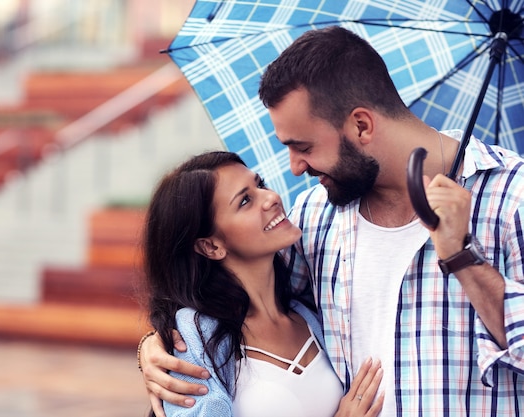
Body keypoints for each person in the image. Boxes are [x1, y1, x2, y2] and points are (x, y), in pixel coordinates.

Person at [138, 26, 524, 416]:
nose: (294, 169)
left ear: (361, 125)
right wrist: (158, 347)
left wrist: (462, 256)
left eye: (303, 147)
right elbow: (231, 295)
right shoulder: (315, 216)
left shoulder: (512, 199)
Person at [141, 150, 384, 416]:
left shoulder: (310, 315)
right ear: (211, 246)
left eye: (260, 184)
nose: (271, 198)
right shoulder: (192, 338)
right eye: (245, 201)